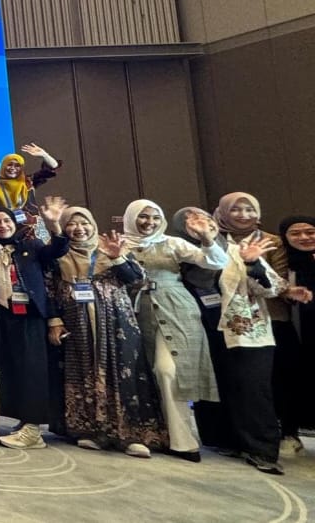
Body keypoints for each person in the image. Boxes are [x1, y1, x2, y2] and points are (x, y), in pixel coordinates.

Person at [173, 206, 284, 473]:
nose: (200, 223)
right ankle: (223, 439)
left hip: (245, 332)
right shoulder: (176, 254)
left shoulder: (239, 251)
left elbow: (273, 288)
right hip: (200, 329)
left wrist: (253, 264)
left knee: (251, 389)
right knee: (213, 386)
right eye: (190, 220)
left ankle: (262, 450)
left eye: (204, 218)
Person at [48, 208, 165, 457]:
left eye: (84, 223)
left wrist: (117, 257)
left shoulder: (110, 247)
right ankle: (91, 431)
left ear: (93, 225)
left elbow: (137, 280)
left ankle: (131, 435)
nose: (79, 229)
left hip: (116, 322)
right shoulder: (59, 254)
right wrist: (55, 321)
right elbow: (50, 288)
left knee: (123, 372)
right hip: (77, 323)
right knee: (84, 372)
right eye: (72, 224)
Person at [121, 199, 228, 462]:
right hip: (132, 311)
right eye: (143, 217)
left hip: (175, 308)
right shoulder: (121, 243)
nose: (149, 222)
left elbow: (215, 261)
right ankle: (153, 434)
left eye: (155, 217)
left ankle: (183, 440)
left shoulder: (172, 243)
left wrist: (207, 238)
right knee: (140, 376)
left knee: (167, 370)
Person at [0, 201, 70, 451]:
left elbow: (57, 250)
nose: (2, 225)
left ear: (14, 223)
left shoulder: (31, 246)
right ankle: (0, 423)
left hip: (29, 318)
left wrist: (54, 224)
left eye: (7, 221)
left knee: (31, 370)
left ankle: (32, 428)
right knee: (0, 369)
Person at [226, 196, 311, 455]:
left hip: (274, 318)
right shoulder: (217, 241)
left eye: (249, 209)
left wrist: (285, 290)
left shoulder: (272, 241)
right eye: (235, 209)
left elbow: (281, 278)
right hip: (235, 321)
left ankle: (288, 432)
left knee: (285, 376)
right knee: (250, 382)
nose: (243, 215)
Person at [273, 215, 315, 450]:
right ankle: (290, 433)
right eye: (295, 233)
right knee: (292, 381)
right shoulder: (283, 264)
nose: (304, 237)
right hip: (296, 331)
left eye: (310, 232)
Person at [0, 144, 60, 241]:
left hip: (35, 232)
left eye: (17, 165)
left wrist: (44, 155)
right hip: (7, 231)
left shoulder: (27, 181)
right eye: (9, 164)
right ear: (3, 166)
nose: (13, 168)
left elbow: (52, 168)